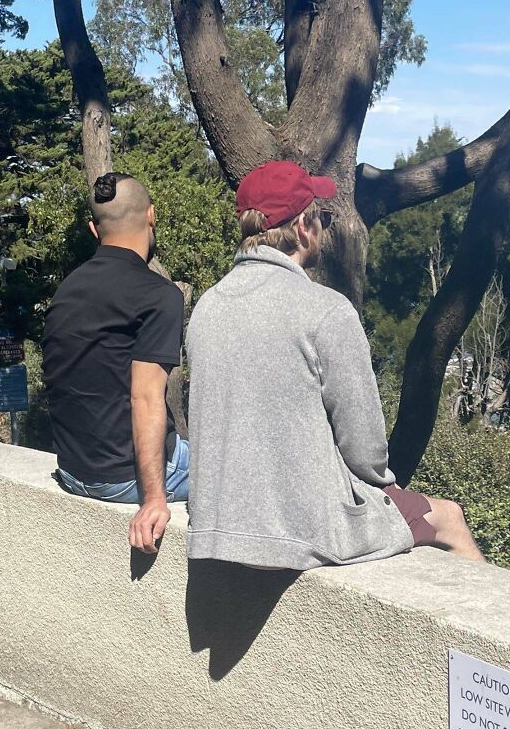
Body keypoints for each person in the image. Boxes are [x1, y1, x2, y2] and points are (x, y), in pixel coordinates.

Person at [185, 160, 484, 570]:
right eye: (323, 218)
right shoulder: (325, 309)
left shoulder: (208, 306)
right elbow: (365, 451)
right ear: (303, 227)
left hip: (217, 525)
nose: (325, 228)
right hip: (300, 531)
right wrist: (381, 490)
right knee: (450, 517)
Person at [42, 172, 187, 554]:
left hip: (72, 471)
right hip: (124, 480)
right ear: (151, 215)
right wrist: (153, 500)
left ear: (94, 229)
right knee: (241, 470)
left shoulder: (66, 290)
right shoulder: (159, 295)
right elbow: (145, 398)